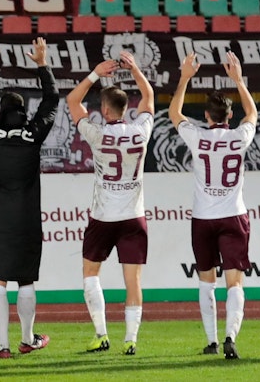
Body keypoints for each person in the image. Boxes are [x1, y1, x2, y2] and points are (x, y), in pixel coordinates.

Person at [0, 36, 58, 359]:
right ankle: (28, 338)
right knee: (26, 280)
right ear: (23, 110)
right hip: (26, 220)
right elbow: (52, 100)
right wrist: (42, 65)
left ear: (0, 111)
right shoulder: (33, 134)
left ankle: (3, 346)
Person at [171, 51, 258, 359]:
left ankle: (211, 340)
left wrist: (184, 77)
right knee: (235, 280)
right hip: (234, 216)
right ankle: (230, 336)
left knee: (206, 279)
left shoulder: (196, 137)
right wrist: (238, 79)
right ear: (228, 117)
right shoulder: (239, 137)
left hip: (204, 218)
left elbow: (174, 113)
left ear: (206, 116)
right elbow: (253, 114)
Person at [69, 50, 156, 355]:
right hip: (133, 217)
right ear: (126, 108)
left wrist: (95, 73)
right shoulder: (140, 131)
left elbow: (72, 101)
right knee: (133, 282)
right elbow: (149, 96)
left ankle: (101, 335)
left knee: (90, 273)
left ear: (105, 109)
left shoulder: (97, 134)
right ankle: (131, 339)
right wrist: (134, 69)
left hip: (103, 216)